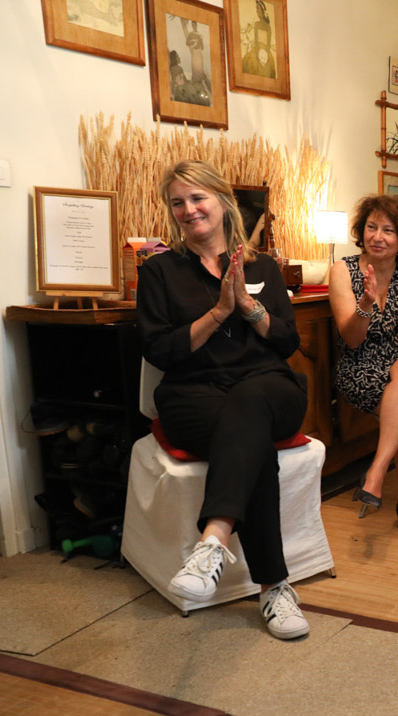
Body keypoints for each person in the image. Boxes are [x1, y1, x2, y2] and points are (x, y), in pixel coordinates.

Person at [138, 160, 309, 640]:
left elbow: (287, 342)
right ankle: (274, 588)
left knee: (251, 402)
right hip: (194, 394)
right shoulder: (159, 272)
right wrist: (218, 312)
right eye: (178, 202)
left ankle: (212, 540)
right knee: (251, 441)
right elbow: (159, 350)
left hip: (269, 386)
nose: (189, 209)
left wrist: (249, 307)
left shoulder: (264, 266)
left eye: (198, 198)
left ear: (222, 201)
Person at [330, 194, 398, 540]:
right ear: (362, 231)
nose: (377, 236)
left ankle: (376, 471)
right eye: (371, 227)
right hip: (359, 366)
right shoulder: (343, 270)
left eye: (388, 230)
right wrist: (365, 303)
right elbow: (352, 339)